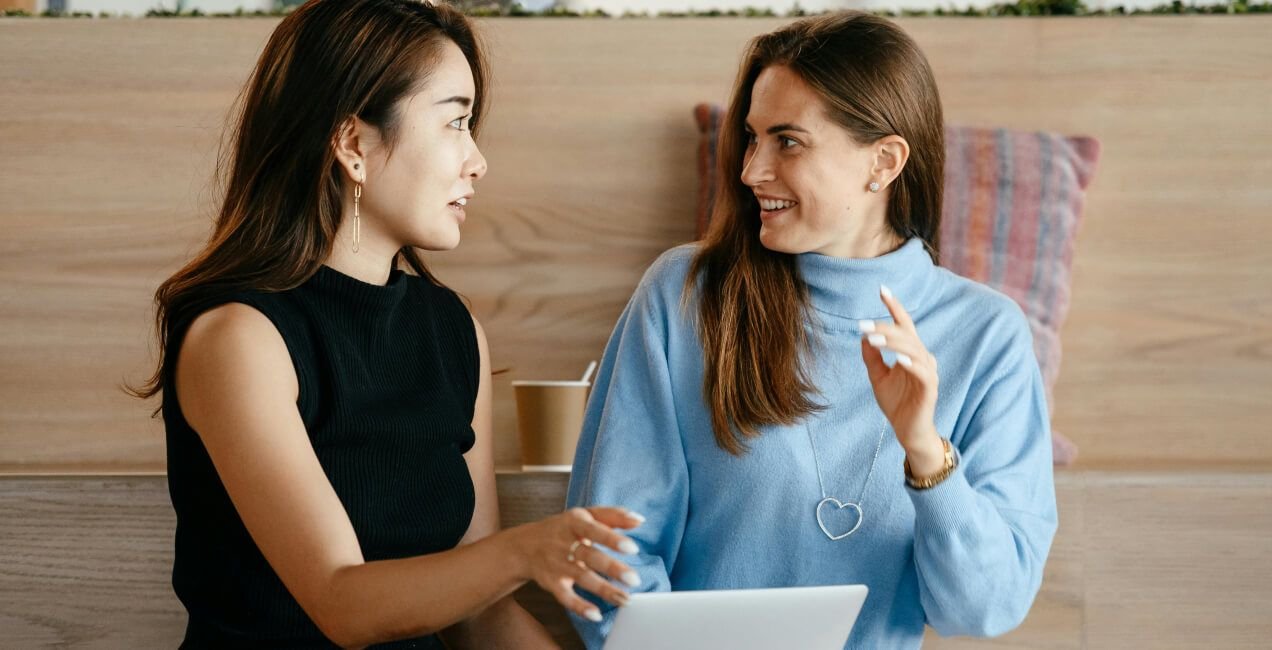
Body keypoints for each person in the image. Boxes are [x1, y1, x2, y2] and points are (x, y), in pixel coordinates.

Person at [129, 1, 641, 647]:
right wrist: (523, 552)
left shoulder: (452, 330)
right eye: (455, 121)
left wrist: (511, 565)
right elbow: (341, 603)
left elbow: (477, 613)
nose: (477, 161)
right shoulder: (240, 338)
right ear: (352, 145)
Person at [566, 11, 1057, 649]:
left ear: (883, 161)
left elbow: (982, 611)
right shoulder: (685, 295)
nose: (751, 171)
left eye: (787, 141)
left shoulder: (988, 336)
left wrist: (926, 454)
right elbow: (606, 558)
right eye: (751, 137)